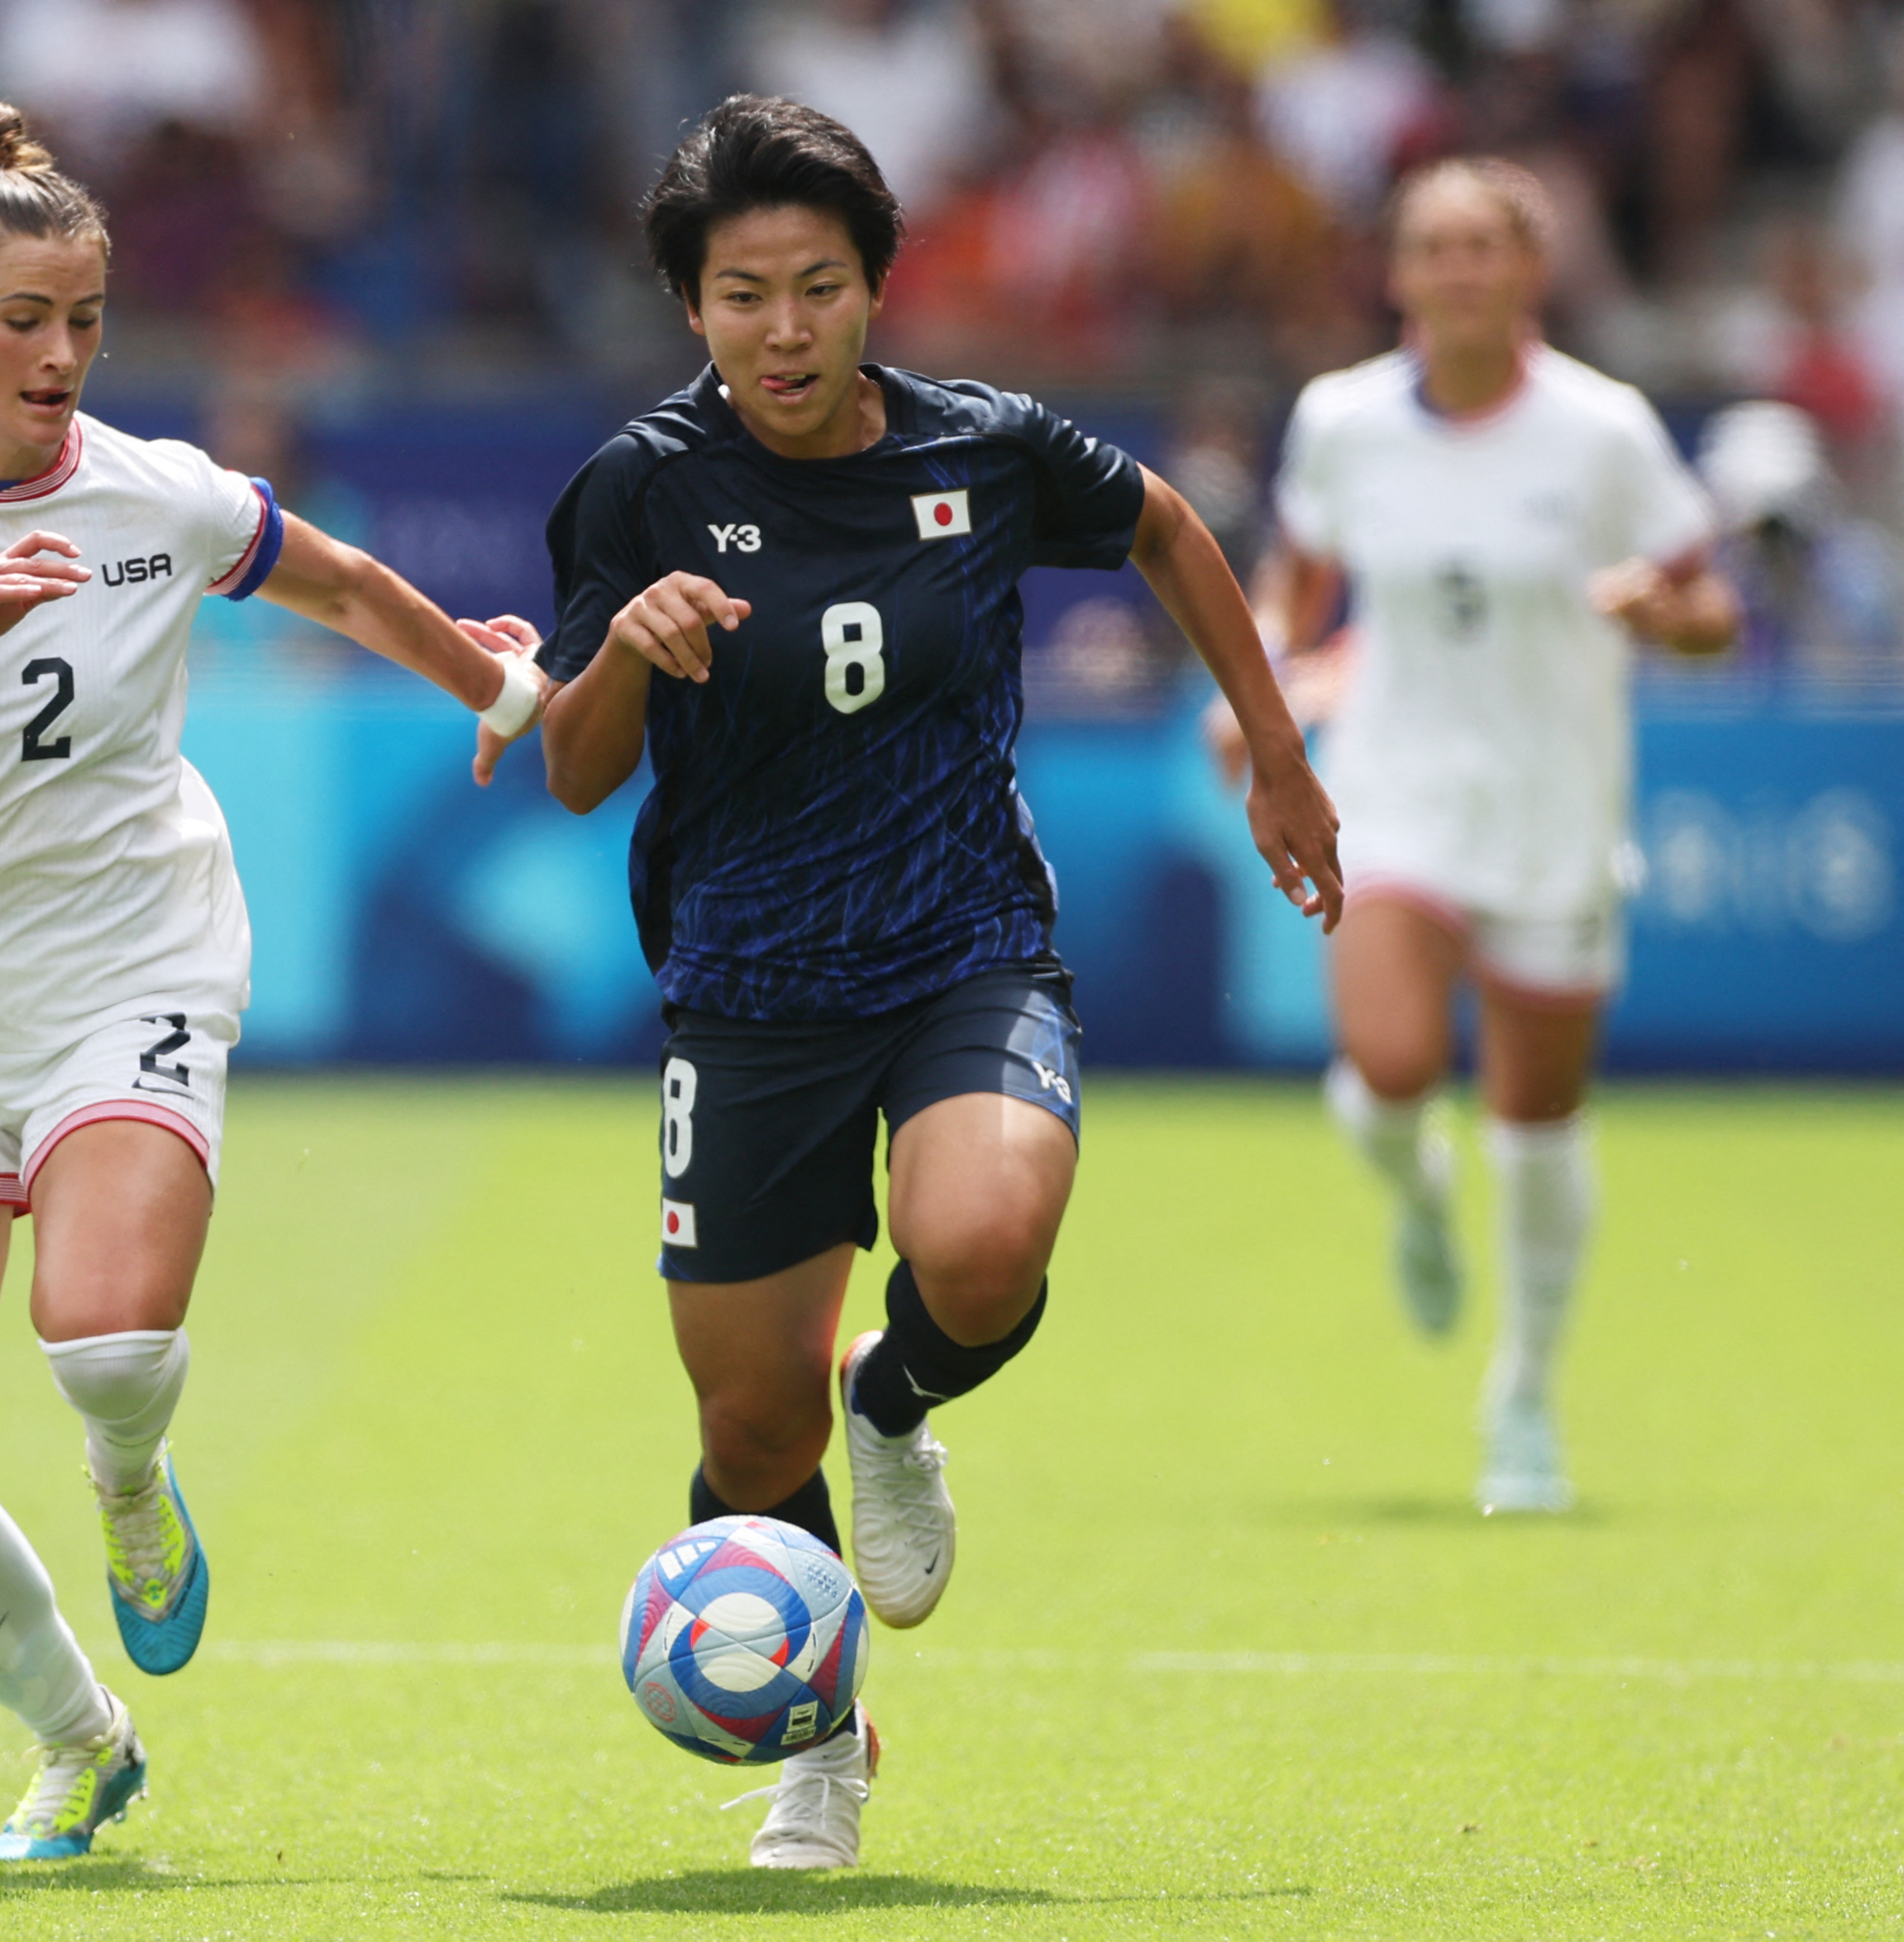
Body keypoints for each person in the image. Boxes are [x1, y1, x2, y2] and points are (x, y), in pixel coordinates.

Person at [467, 95, 1340, 1871]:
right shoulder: (640, 488)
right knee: (740, 1414)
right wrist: (625, 653)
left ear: (874, 286)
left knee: (984, 1243)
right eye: (737, 296)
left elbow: (1168, 526)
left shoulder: (984, 447)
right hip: (747, 979)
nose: (780, 330)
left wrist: (1270, 744)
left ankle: (900, 1395)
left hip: (961, 942)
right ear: (689, 309)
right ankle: (819, 1740)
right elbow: (568, 770)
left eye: (814, 287)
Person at [0, 100, 540, 1863]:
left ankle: (130, 1484)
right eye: (23, 318)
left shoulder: (154, 490)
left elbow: (332, 578)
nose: (58, 353)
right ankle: (78, 1740)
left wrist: (485, 687)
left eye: (85, 319)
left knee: (107, 1333)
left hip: (123, 949)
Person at [1241, 157, 1738, 1514]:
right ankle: (1413, 1196)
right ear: (1396, 274)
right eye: (1432, 247)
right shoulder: (1339, 420)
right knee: (1389, 1066)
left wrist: (1657, 610)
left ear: (1528, 269)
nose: (1459, 269)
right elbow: (1297, 589)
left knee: (1534, 1125)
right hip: (1393, 787)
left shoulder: (1603, 430)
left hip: (1555, 807)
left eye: (1484, 247)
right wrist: (1270, 692)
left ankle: (1521, 1396)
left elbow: (1711, 613)